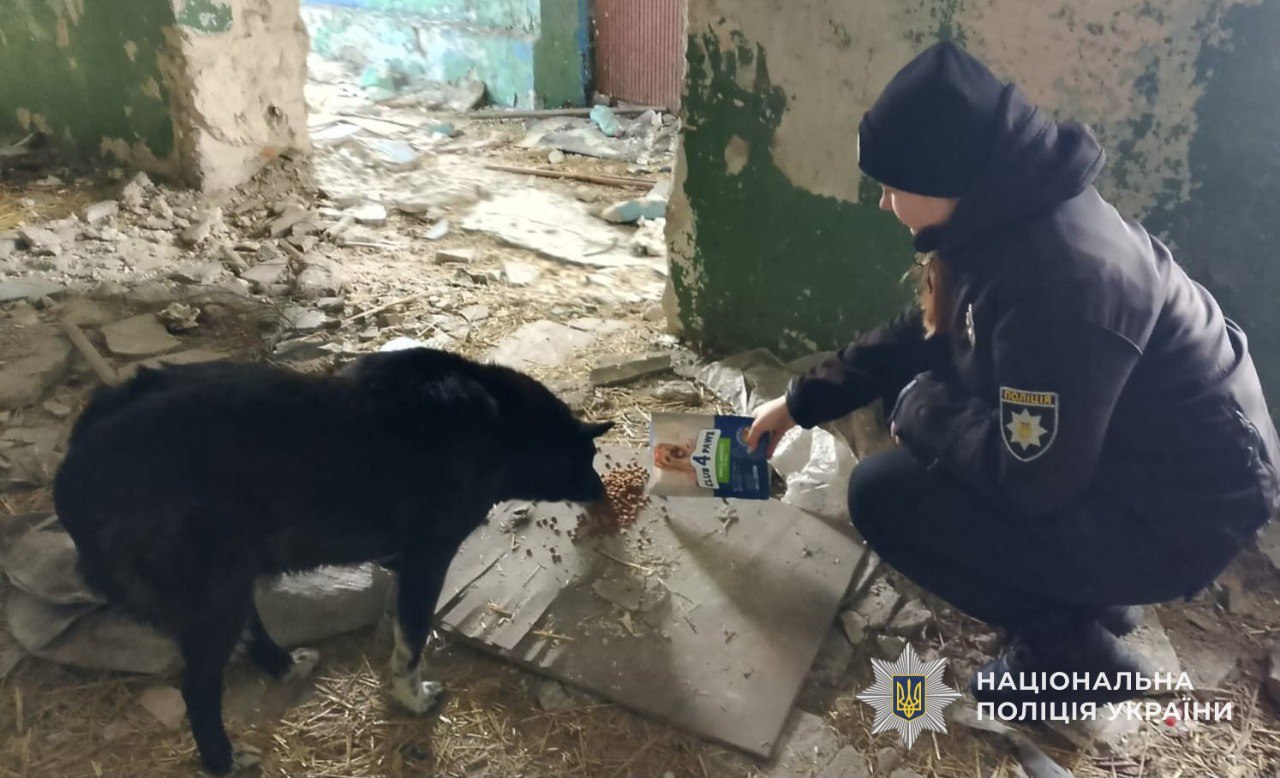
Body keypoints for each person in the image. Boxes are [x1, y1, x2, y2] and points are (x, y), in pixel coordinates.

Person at [746, 41, 1280, 706]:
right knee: (940, 426)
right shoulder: (1006, 209)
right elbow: (930, 330)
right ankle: (1098, 594)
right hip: (1146, 457)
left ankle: (1079, 658)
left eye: (891, 187)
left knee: (884, 495)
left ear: (945, 178)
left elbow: (1032, 481)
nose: (884, 204)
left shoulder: (1062, 283)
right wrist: (800, 402)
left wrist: (919, 409)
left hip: (1184, 511)